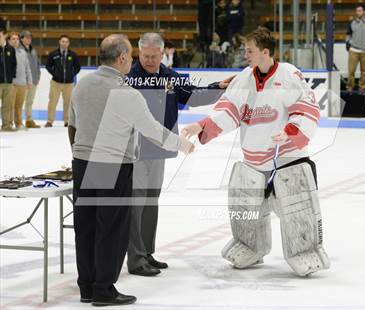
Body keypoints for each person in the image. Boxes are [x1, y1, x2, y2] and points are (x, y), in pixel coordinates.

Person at [182, 28, 330, 276]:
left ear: (265, 52)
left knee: (297, 207)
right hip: (254, 160)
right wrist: (202, 125)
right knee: (245, 204)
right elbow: (228, 110)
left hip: (287, 157)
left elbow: (307, 108)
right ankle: (250, 245)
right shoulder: (243, 78)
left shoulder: (289, 74)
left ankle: (306, 251)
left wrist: (291, 131)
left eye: (249, 50)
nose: (245, 54)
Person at [68, 34, 194, 306]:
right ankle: (104, 289)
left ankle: (87, 287)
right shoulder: (126, 93)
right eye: (131, 56)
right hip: (113, 165)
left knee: (86, 226)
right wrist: (182, 144)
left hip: (83, 162)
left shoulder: (82, 85)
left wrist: (80, 156)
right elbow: (152, 131)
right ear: (123, 58)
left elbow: (73, 125)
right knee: (111, 229)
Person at [125, 32, 232, 277]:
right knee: (136, 204)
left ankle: (146, 253)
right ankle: (136, 258)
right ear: (138, 53)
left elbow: (192, 96)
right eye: (145, 56)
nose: (150, 60)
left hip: (160, 148)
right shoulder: (130, 78)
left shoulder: (168, 76)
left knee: (151, 201)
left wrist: (218, 88)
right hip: (136, 150)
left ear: (163, 54)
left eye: (154, 56)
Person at [45, 34, 80, 127]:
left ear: (69, 43)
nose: (64, 43)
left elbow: (78, 67)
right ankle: (49, 121)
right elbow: (48, 66)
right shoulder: (53, 54)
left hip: (69, 84)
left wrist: (71, 75)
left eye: (66, 42)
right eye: (63, 41)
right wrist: (54, 73)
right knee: (52, 102)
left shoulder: (73, 55)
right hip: (55, 83)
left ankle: (67, 121)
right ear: (59, 42)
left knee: (68, 103)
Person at [345, 4, 365, 93]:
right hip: (353, 50)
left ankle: (362, 87)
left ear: (364, 12)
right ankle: (349, 87)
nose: (357, 12)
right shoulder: (352, 23)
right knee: (351, 71)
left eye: (359, 10)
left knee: (364, 71)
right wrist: (348, 44)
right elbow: (348, 35)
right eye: (357, 11)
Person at [8, 32, 32, 130]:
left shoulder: (23, 53)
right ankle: (9, 123)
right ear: (9, 40)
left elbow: (27, 68)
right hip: (11, 83)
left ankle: (19, 123)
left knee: (19, 105)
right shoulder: (6, 52)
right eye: (13, 39)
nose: (15, 40)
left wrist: (29, 81)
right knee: (10, 105)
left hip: (22, 83)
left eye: (17, 39)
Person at [20, 30, 41, 128]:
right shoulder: (19, 50)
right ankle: (18, 121)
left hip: (34, 81)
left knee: (30, 101)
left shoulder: (33, 50)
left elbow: (37, 64)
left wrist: (37, 77)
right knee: (20, 102)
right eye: (27, 37)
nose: (29, 39)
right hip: (23, 81)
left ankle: (29, 120)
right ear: (22, 38)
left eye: (30, 37)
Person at [0, 27, 17, 131]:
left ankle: (6, 126)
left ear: (5, 36)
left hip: (8, 83)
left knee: (7, 106)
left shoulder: (11, 49)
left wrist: (11, 76)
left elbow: (14, 64)